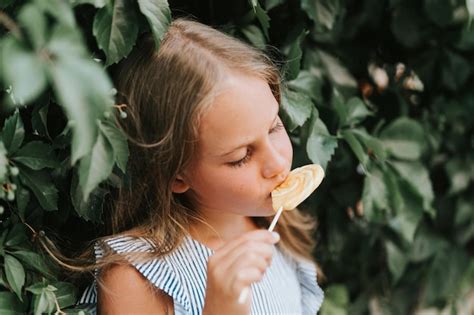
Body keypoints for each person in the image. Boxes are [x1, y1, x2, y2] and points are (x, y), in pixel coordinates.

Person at [78, 18, 324, 315]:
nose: (276, 163)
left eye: (274, 128)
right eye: (241, 156)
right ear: (176, 175)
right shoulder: (136, 276)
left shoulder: (282, 237)